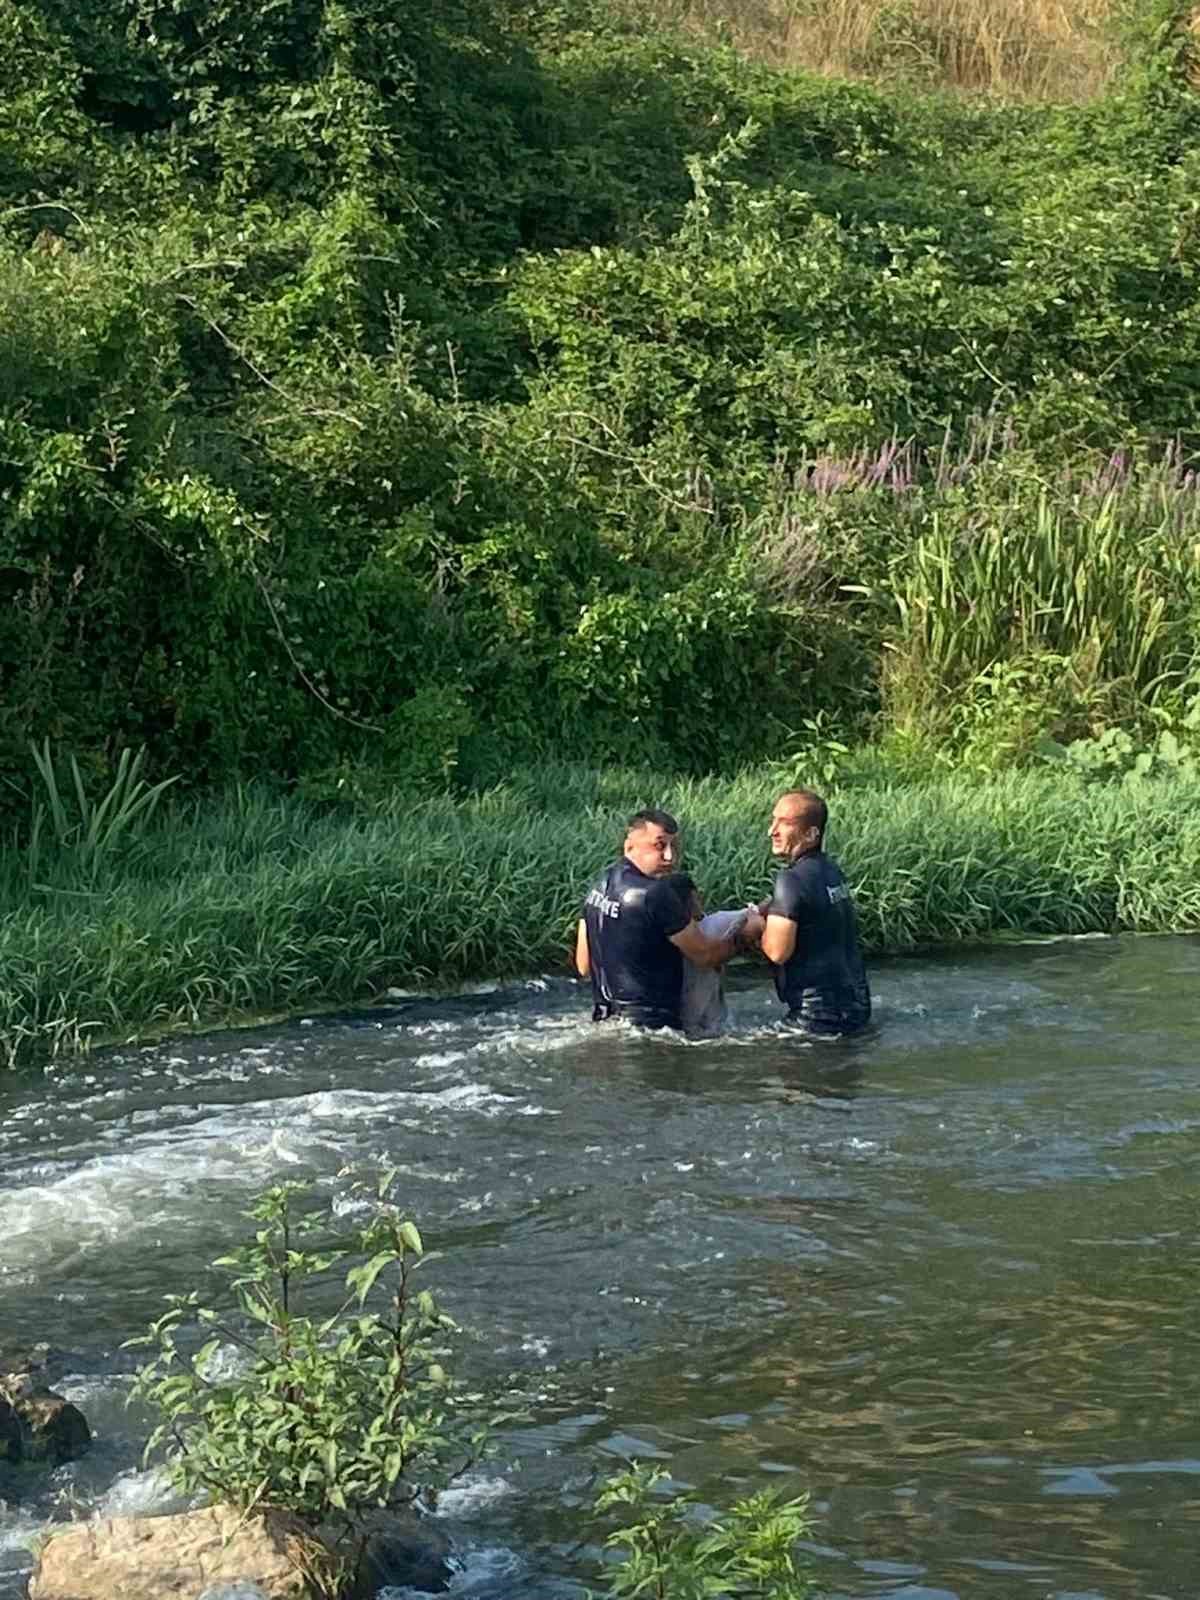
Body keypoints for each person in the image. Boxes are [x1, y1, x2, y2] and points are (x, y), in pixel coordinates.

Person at [575, 808, 763, 1032]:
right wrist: (743, 938)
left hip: (604, 1022)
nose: (670, 856)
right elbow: (704, 956)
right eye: (659, 845)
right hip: (653, 1029)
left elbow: (584, 965)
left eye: (675, 847)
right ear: (629, 846)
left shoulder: (598, 885)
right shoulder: (656, 893)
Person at [759, 789, 871, 1035]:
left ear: (811, 834)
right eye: (773, 820)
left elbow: (777, 952)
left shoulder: (791, 880)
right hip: (856, 1010)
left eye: (785, 823)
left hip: (813, 1019)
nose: (772, 831)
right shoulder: (831, 870)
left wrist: (757, 925)